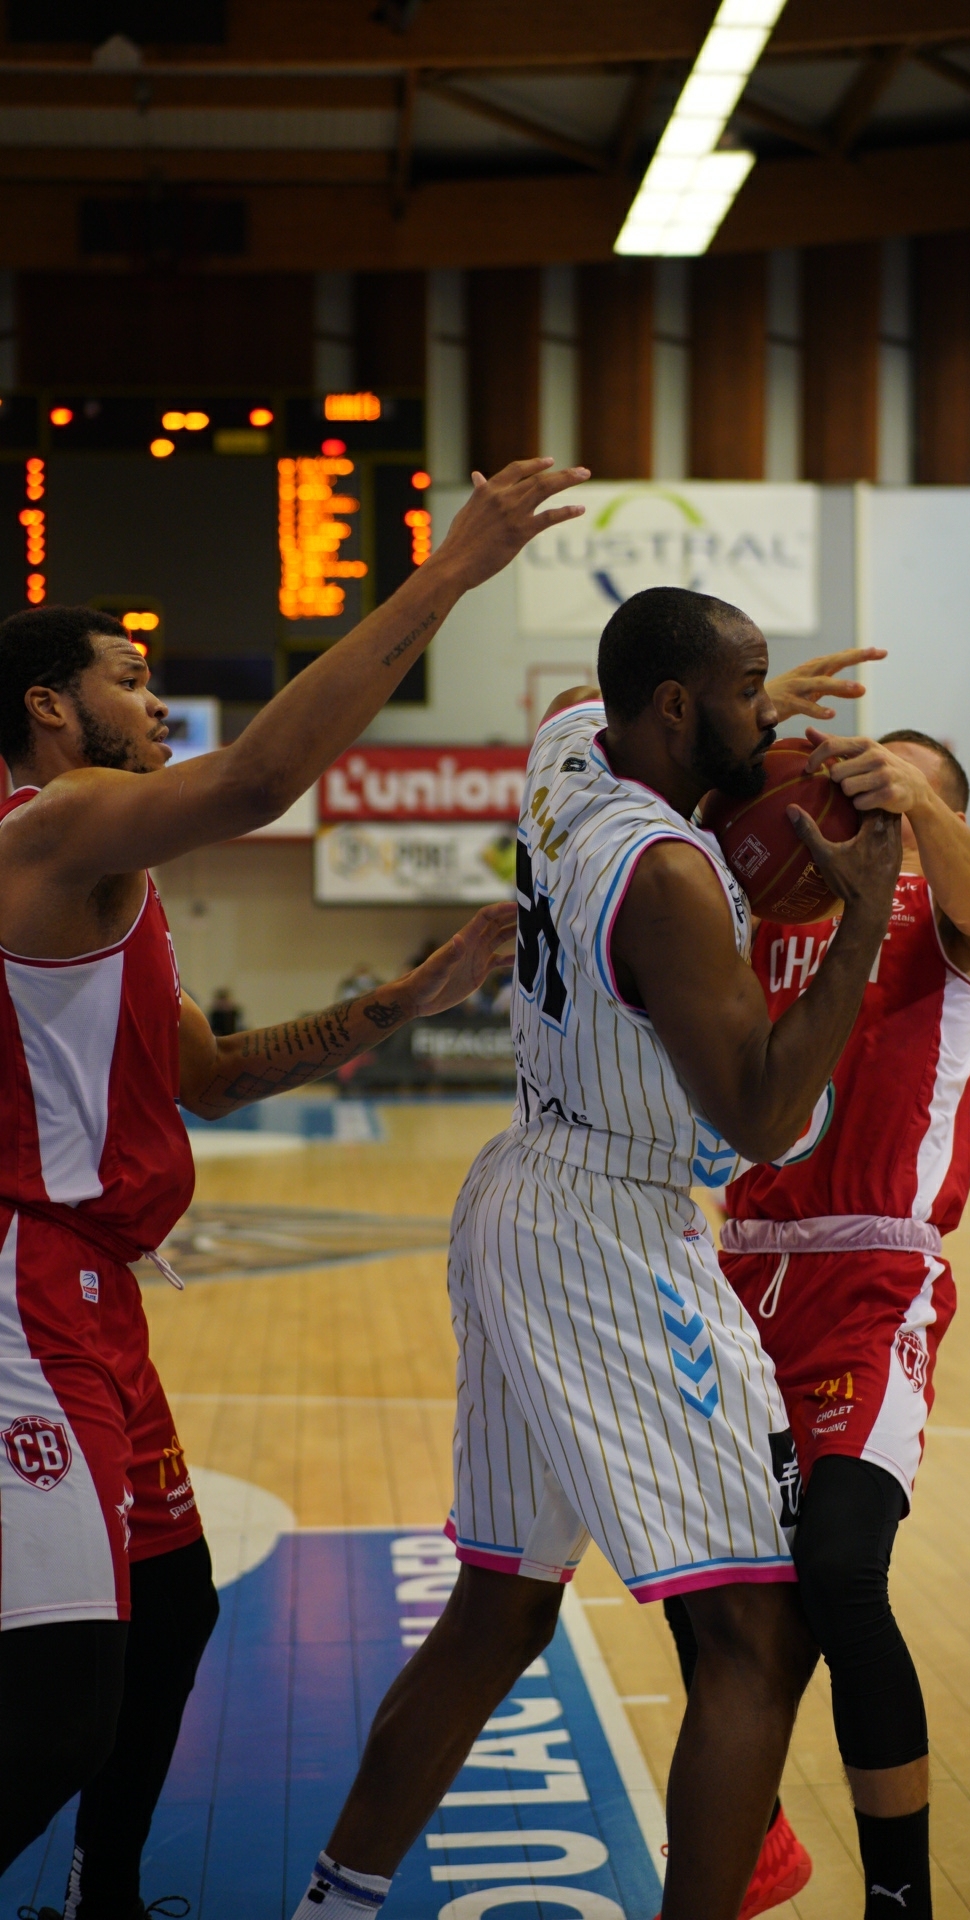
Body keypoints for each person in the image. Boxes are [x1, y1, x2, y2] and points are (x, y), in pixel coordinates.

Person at [0, 453, 587, 1920]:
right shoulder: (49, 832)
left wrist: (417, 989)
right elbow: (265, 775)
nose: (157, 705)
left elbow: (206, 1078)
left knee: (179, 1607)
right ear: (50, 708)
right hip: (23, 1286)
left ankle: (105, 1895)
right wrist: (451, 574)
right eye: (131, 679)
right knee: (67, 1697)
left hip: (91, 1296)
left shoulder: (102, 885)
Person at [289, 586, 901, 1920]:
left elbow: (613, 692)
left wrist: (765, 712)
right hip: (613, 1234)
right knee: (757, 1631)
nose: (765, 703)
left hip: (520, 1190)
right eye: (742, 685)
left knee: (499, 1612)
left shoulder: (564, 753)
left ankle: (330, 1906)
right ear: (676, 709)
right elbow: (762, 1110)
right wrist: (860, 918)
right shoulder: (672, 876)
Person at [670, 724, 970, 1920]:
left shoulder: (952, 916)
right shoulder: (779, 909)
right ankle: (755, 1837)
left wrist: (919, 799)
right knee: (707, 1582)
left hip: (874, 1279)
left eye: (899, 778)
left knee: (838, 1573)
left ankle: (899, 1897)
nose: (867, 782)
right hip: (737, 1275)